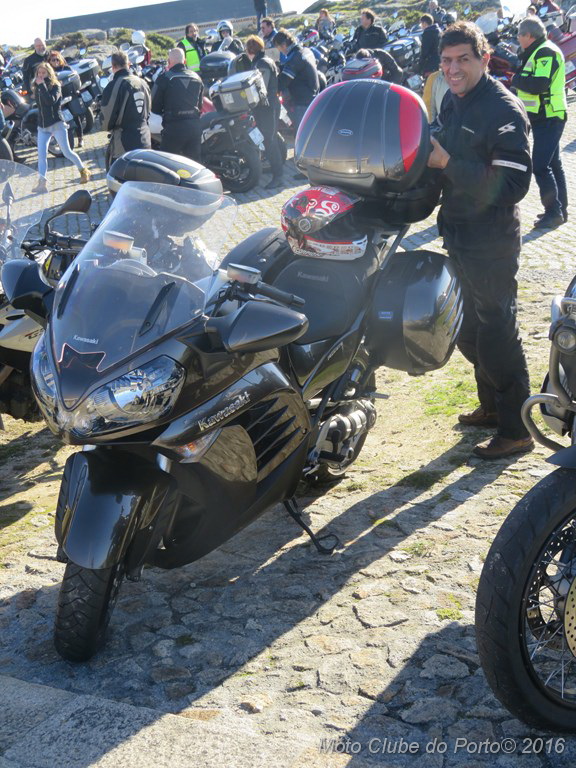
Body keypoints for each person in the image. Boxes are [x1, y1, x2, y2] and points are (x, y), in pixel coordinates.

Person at [427, 21, 533, 459]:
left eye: (463, 60)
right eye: (446, 61)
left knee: (496, 331)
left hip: (492, 241)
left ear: (484, 59)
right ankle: (492, 407)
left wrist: (448, 163)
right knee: (467, 329)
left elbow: (511, 185)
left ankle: (517, 428)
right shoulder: (452, 99)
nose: (453, 69)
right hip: (459, 233)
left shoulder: (503, 110)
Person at [512, 16, 567, 228]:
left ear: (528, 35)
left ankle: (553, 212)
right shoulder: (536, 51)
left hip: (549, 116)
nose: (518, 39)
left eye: (519, 35)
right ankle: (561, 210)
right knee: (553, 164)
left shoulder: (545, 52)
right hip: (543, 116)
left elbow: (539, 85)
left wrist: (515, 79)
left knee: (541, 165)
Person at [32, 62, 90, 192]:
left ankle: (83, 170)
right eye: (39, 73)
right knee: (41, 155)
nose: (40, 75)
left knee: (67, 152)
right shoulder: (38, 87)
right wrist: (39, 86)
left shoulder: (56, 86)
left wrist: (42, 85)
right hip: (43, 127)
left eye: (43, 73)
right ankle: (42, 183)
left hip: (56, 124)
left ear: (49, 73)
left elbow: (50, 101)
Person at [151, 48, 203, 163]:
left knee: (167, 165)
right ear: (185, 61)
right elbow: (200, 105)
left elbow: (154, 107)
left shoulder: (164, 78)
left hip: (173, 129)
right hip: (194, 128)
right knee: (194, 165)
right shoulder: (197, 78)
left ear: (169, 62)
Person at [245, 35, 284, 188]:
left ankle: (278, 176)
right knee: (271, 139)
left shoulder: (261, 64)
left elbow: (262, 88)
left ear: (250, 49)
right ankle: (278, 172)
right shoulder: (265, 60)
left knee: (269, 140)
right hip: (269, 105)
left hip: (266, 107)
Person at [101, 51, 151, 166]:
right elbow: (148, 110)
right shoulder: (143, 83)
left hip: (124, 144)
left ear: (113, 66)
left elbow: (106, 120)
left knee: (120, 176)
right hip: (145, 138)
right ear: (128, 64)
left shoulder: (114, 85)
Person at [275, 28, 319, 130]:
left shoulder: (295, 59)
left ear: (284, 45)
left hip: (303, 102)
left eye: (278, 48)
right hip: (313, 96)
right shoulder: (306, 51)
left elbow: (283, 81)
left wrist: (272, 88)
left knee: (302, 133)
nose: (279, 51)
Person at [48, 50, 84, 148]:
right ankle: (64, 142)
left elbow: (75, 78)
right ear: (49, 61)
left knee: (76, 117)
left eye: (57, 59)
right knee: (62, 120)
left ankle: (80, 138)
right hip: (59, 98)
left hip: (70, 95)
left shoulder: (66, 68)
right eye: (53, 60)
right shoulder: (49, 72)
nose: (55, 61)